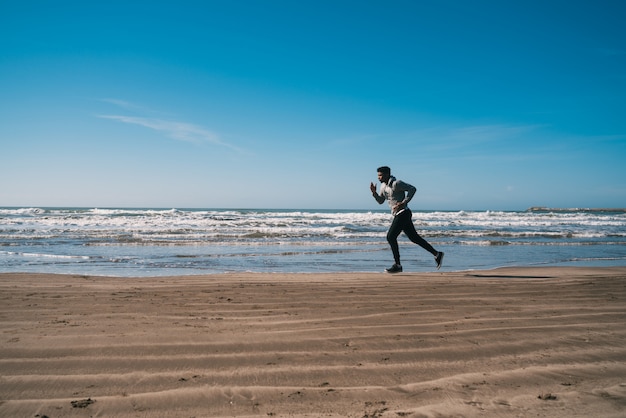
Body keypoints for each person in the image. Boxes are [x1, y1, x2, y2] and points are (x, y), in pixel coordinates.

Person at [370, 166, 444, 273]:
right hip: (398, 214)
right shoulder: (382, 186)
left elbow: (412, 189)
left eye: (380, 175)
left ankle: (398, 265)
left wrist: (404, 202)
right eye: (378, 175)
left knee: (390, 237)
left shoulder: (397, 183)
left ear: (387, 174)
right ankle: (437, 254)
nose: (378, 177)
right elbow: (381, 201)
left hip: (403, 213)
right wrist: (374, 193)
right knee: (414, 238)